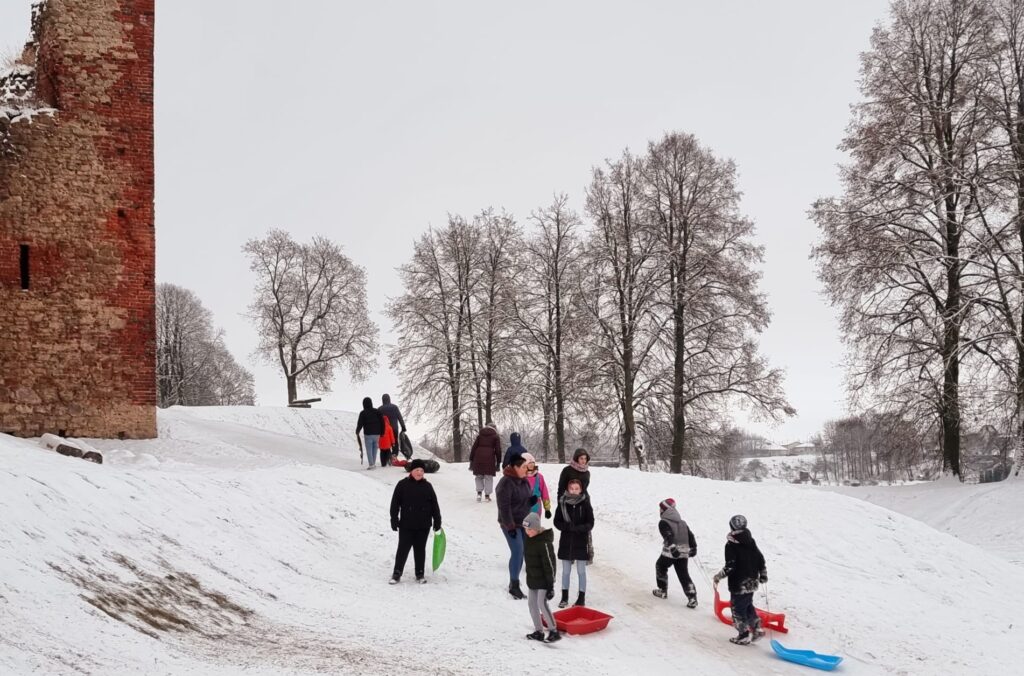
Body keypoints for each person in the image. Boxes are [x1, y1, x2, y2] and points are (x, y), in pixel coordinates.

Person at [712, 515, 768, 645]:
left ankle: (743, 634)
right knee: (747, 605)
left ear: (731, 526)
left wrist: (718, 576)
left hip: (739, 582)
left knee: (737, 609)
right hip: (752, 580)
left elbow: (730, 566)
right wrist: (763, 573)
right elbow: (760, 558)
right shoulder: (750, 541)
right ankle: (757, 628)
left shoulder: (731, 544)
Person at [389, 459, 442, 584]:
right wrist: (394, 519)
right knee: (403, 549)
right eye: (417, 470)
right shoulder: (402, 485)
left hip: (423, 525)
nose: (419, 472)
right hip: (406, 524)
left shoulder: (428, 486)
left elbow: (435, 505)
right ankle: (397, 573)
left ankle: (420, 574)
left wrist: (437, 520)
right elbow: (395, 504)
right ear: (411, 471)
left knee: (420, 550)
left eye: (422, 470)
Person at [495, 454, 532, 599]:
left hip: (523, 522)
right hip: (510, 523)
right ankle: (514, 585)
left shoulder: (524, 481)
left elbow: (523, 502)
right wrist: (510, 526)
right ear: (515, 467)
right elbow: (504, 507)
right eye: (523, 467)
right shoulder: (505, 483)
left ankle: (515, 582)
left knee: (522, 552)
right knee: (517, 551)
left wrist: (531, 501)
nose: (526, 470)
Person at [553, 477, 593, 608]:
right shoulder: (562, 503)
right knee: (566, 571)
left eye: (577, 489)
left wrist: (579, 528)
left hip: (581, 541)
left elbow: (590, 522)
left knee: (581, 571)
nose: (574, 491)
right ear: (567, 489)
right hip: (566, 541)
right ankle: (564, 597)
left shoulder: (585, 503)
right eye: (572, 488)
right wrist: (566, 527)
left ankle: (581, 598)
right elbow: (557, 521)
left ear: (581, 490)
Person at [521, 512, 561, 643]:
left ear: (537, 529)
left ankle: (554, 631)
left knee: (541, 603)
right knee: (532, 604)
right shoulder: (529, 540)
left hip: (544, 580)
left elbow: (550, 564)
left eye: (530, 529)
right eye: (526, 529)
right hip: (533, 579)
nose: (527, 532)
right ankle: (539, 631)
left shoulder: (544, 543)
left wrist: (551, 585)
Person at [651, 498, 698, 608]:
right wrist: (694, 547)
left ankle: (662, 590)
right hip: (684, 552)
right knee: (683, 574)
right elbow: (690, 535)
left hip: (671, 552)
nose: (659, 511)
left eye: (661, 509)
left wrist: (672, 548)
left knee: (660, 565)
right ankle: (692, 598)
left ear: (665, 510)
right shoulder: (682, 522)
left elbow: (668, 536)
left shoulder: (663, 522)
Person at [469, 423, 501, 502]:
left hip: (478, 456)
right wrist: (498, 462)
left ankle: (479, 493)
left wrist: (471, 459)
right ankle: (487, 495)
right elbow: (498, 450)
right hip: (489, 458)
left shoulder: (480, 436)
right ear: (494, 428)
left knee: (479, 476)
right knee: (488, 477)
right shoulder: (495, 437)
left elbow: (474, 447)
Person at [355, 397, 385, 469]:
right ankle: (373, 464)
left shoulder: (363, 413)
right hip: (377, 433)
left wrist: (357, 431)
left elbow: (360, 423)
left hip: (368, 434)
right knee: (375, 449)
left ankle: (371, 465)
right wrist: (382, 432)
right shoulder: (377, 411)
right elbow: (382, 422)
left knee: (369, 449)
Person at [379, 394, 409, 459]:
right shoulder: (395, 407)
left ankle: (387, 457)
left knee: (386, 443)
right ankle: (394, 455)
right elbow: (400, 417)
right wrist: (403, 427)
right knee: (394, 442)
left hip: (384, 430)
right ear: (389, 399)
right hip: (394, 428)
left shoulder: (380, 409)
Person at [522, 453, 551, 519]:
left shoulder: (539, 477)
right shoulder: (520, 477)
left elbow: (544, 493)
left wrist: (547, 509)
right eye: (529, 463)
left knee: (534, 527)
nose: (532, 464)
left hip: (536, 508)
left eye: (533, 462)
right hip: (523, 508)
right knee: (523, 527)